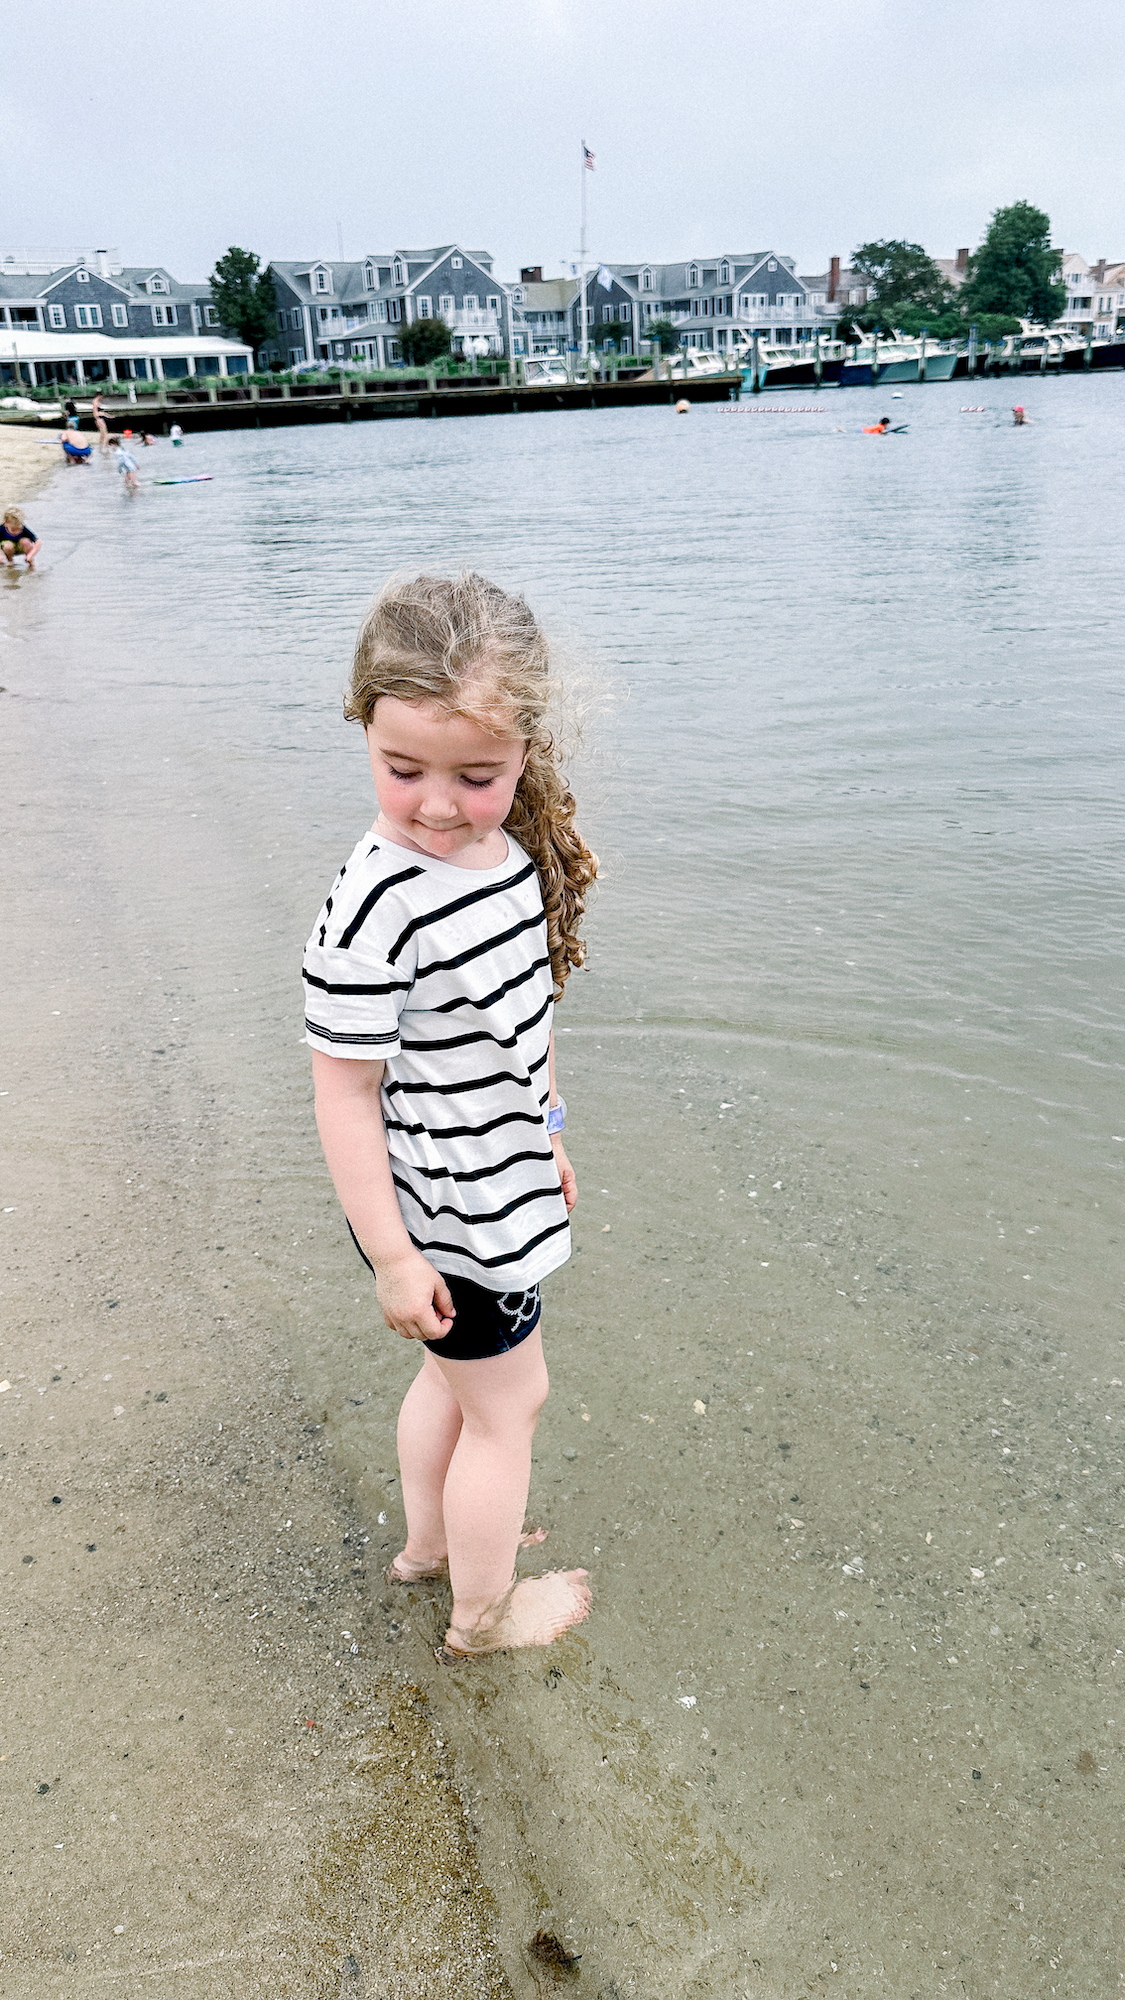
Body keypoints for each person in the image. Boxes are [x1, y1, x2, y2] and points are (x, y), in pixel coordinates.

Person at [303, 571, 598, 1661]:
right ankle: (483, 1617)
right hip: (444, 1213)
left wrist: (548, 1130)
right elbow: (343, 1090)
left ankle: (431, 1548)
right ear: (363, 730)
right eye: (401, 769)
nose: (435, 804)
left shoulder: (506, 857)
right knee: (509, 1408)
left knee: (455, 1381)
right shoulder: (378, 900)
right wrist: (392, 1256)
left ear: (525, 750)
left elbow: (524, 1018)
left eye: (475, 776)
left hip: (490, 1181)